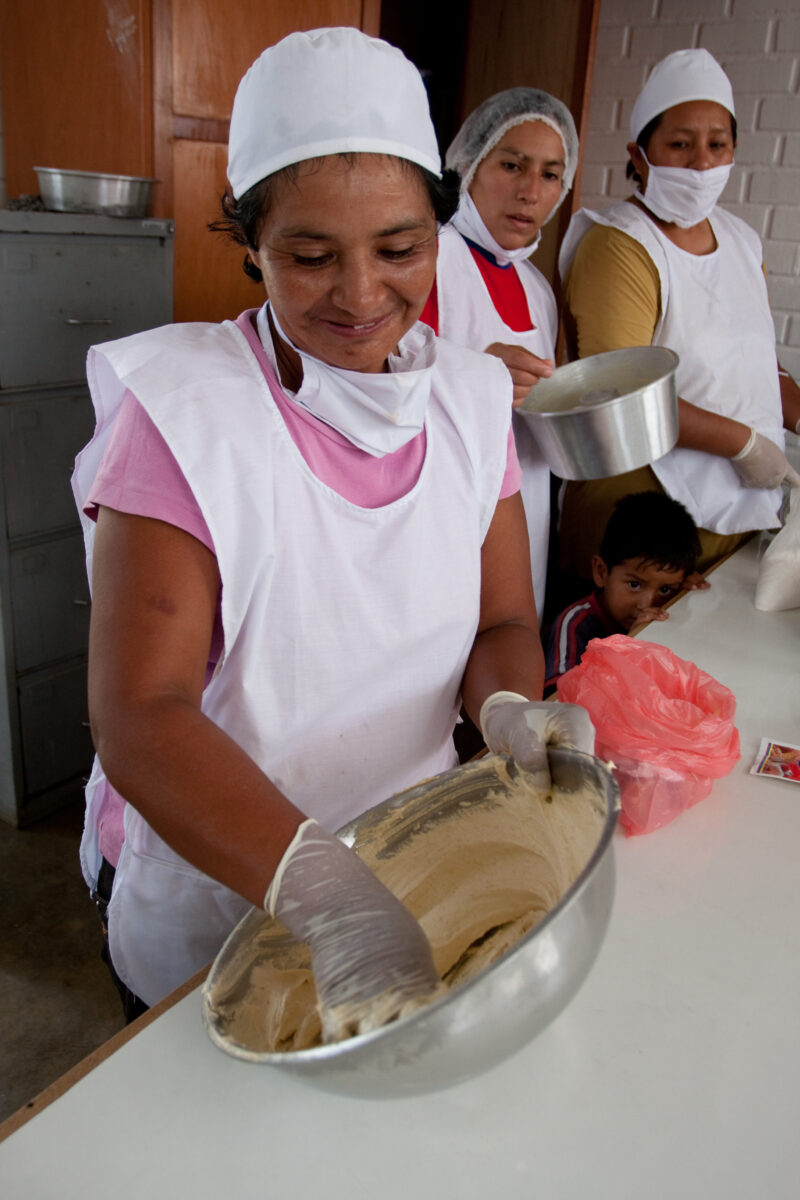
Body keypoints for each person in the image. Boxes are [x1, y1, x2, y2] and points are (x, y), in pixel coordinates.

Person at [71, 28, 594, 1033]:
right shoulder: (189, 418)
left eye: (398, 249)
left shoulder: (471, 399)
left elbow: (497, 626)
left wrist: (506, 715)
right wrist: (322, 890)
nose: (360, 295)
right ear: (252, 248)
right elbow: (142, 712)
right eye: (308, 256)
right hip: (217, 902)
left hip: (414, 856)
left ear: (439, 233)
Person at [558, 48, 800, 591]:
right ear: (640, 155)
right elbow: (619, 389)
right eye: (680, 144)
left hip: (733, 512)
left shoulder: (741, 241)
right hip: (638, 529)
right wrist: (742, 443)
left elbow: (755, 358)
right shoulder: (619, 246)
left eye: (718, 145)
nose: (701, 163)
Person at [420, 87, 579, 620]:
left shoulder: (537, 287)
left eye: (551, 174)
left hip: (522, 505)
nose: (531, 192)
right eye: (512, 165)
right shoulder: (426, 257)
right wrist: (474, 377)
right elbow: (376, 383)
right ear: (468, 165)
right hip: (440, 507)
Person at [544, 491, 701, 691]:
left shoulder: (668, 606)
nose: (647, 603)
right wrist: (632, 643)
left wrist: (689, 600)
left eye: (664, 589)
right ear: (601, 571)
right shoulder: (575, 624)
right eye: (634, 585)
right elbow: (559, 696)